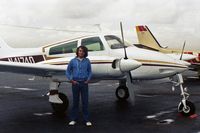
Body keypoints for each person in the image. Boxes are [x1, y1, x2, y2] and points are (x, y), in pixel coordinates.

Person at [66, 46, 92, 126]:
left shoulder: (87, 61)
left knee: (85, 102)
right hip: (75, 84)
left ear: (85, 53)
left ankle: (87, 120)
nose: (81, 52)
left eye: (83, 51)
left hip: (84, 84)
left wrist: (88, 79)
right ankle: (73, 119)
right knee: (75, 102)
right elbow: (67, 71)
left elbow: (90, 71)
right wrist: (71, 80)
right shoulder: (72, 61)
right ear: (77, 52)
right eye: (80, 51)